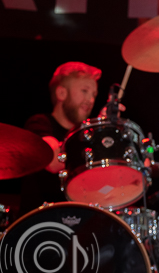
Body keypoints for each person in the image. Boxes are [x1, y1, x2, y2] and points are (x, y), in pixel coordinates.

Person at [20, 61, 101, 215]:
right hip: (38, 223)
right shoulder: (39, 123)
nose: (90, 100)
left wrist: (104, 133)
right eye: (84, 91)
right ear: (61, 93)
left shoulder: (87, 136)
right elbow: (53, 161)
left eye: (94, 95)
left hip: (77, 222)